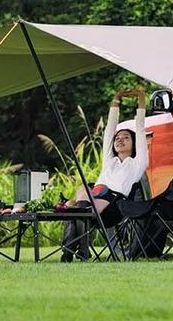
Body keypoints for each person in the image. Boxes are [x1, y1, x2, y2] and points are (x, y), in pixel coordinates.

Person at [61, 87, 149, 262]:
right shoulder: (110, 161)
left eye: (125, 137)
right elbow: (110, 129)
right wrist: (116, 98)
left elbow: (140, 128)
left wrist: (140, 97)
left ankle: (71, 251)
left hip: (114, 206)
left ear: (135, 144)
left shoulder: (138, 163)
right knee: (81, 201)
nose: (119, 139)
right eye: (117, 138)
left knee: (76, 209)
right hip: (93, 197)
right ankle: (77, 251)